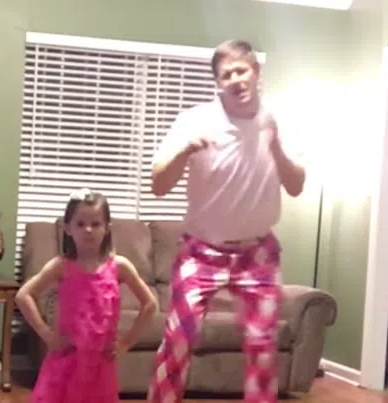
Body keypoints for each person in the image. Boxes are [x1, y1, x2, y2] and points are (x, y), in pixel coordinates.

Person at [147, 39, 306, 403]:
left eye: (241, 70)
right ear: (217, 83)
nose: (236, 79)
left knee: (262, 349)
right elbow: (158, 185)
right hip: (200, 251)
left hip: (258, 254)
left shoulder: (277, 121)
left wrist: (276, 148)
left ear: (256, 72)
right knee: (178, 339)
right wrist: (185, 149)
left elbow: (296, 187)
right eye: (226, 74)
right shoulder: (194, 120)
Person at [16, 188, 158, 403]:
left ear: (107, 228)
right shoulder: (61, 266)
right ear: (68, 228)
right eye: (80, 224)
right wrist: (47, 334)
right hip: (65, 361)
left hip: (101, 365)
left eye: (96, 224)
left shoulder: (119, 267)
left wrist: (127, 342)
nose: (88, 230)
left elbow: (150, 304)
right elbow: (24, 295)